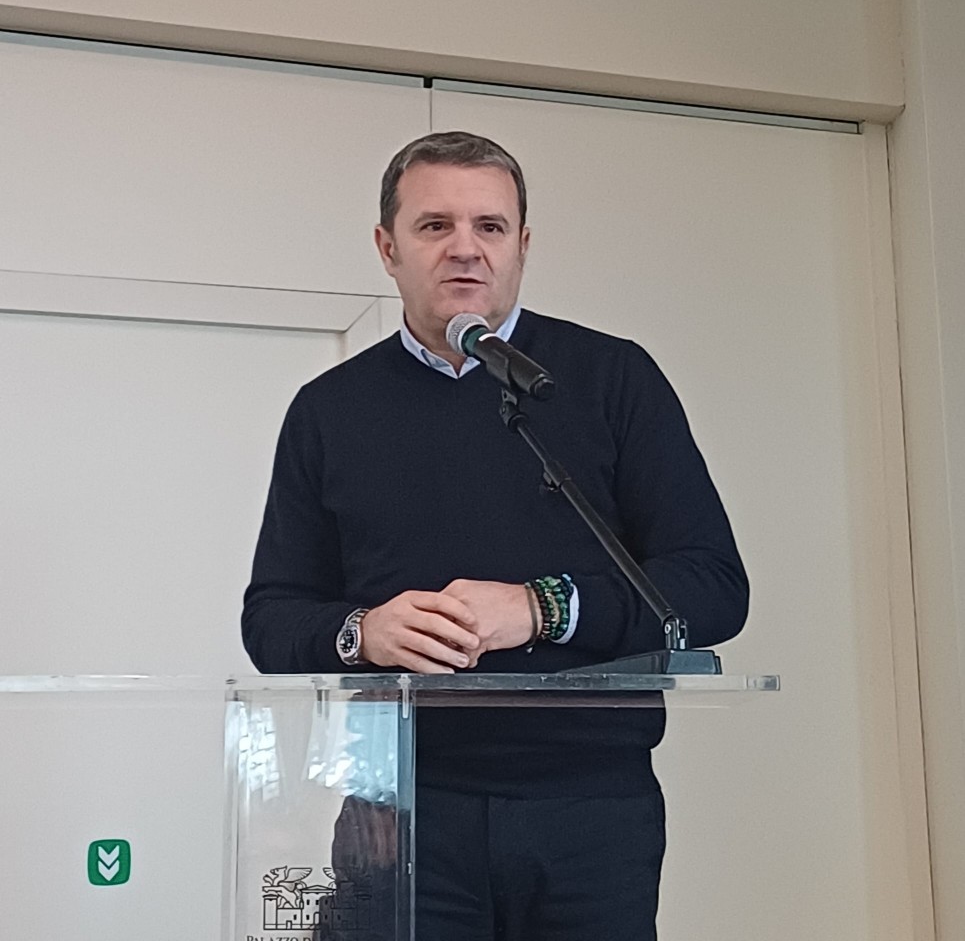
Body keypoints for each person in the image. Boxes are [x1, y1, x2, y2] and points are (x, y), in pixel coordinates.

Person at [242, 130, 749, 940]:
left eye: (489, 226)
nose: (465, 248)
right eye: (433, 225)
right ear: (387, 248)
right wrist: (362, 631)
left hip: (590, 806)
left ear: (522, 244)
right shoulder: (328, 409)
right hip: (397, 808)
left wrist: (541, 607)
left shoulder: (611, 378)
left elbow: (712, 587)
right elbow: (271, 616)